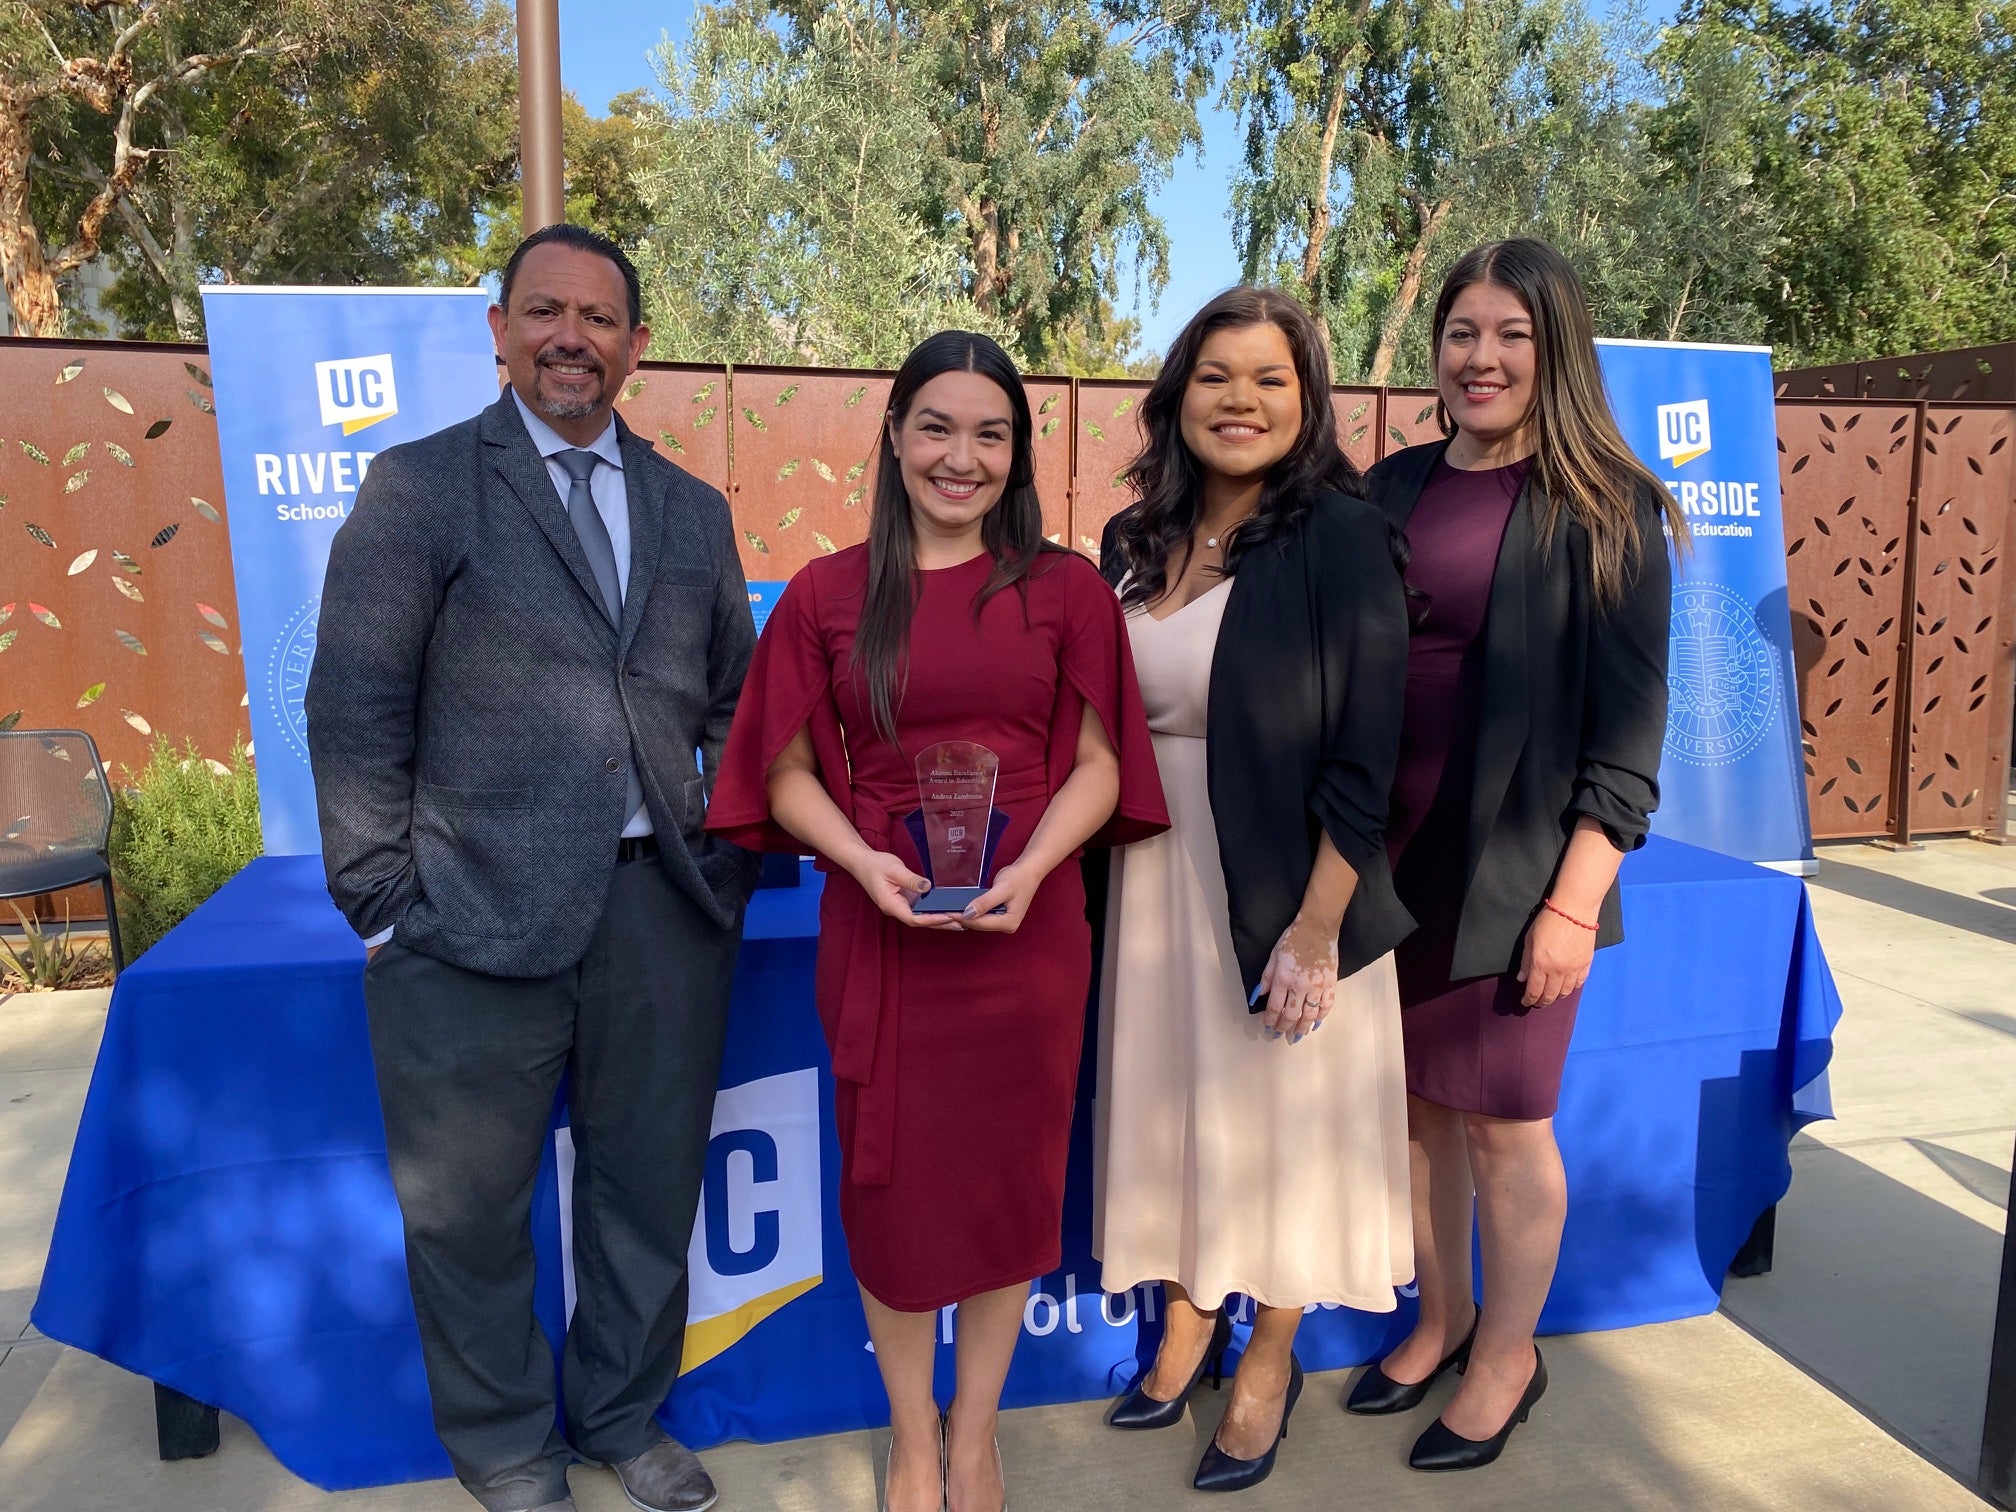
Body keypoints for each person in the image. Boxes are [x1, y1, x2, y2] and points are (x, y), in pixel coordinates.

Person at [306, 223, 759, 1512]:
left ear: (635, 346)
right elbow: (353, 708)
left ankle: (624, 1420)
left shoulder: (692, 508)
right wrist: (386, 897)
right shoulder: (420, 487)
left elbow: (735, 701)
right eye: (545, 311)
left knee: (647, 1188)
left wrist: (714, 852)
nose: (573, 336)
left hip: (660, 914)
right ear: (498, 331)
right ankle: (507, 1449)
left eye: (600, 317)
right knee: (469, 1215)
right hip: (468, 916)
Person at [705, 330, 1167, 1512]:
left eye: (991, 434)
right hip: (885, 936)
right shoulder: (825, 593)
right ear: (897, 436)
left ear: (1018, 454)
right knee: (898, 1202)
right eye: (938, 428)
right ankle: (915, 1435)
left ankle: (976, 1433)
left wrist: (1033, 867)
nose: (962, 457)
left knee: (1007, 1194)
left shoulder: (1065, 589)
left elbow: (1106, 766)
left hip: (1029, 936)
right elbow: (788, 768)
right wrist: (857, 859)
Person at [1343, 238, 1677, 1470]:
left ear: (1556, 351)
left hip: (1521, 869)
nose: (1480, 358)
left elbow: (1631, 730)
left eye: (1511, 336)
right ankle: (1441, 1320)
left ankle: (1508, 1358)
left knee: (1503, 1126)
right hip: (1390, 861)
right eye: (1462, 333)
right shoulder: (1391, 487)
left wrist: (1574, 904)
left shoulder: (1608, 506)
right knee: (1422, 1118)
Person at [1092, 286, 1416, 1493]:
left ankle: (1268, 1359)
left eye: (1271, 378)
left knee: (1280, 1138)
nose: (1241, 400)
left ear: (1308, 398)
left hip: (1284, 890)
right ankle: (1185, 1322)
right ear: (1176, 398)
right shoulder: (1135, 541)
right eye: (1216, 376)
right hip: (1149, 888)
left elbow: (1366, 753)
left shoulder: (1339, 534)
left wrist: (1318, 928)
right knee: (1180, 1119)